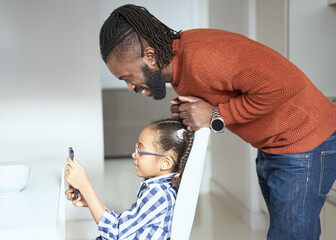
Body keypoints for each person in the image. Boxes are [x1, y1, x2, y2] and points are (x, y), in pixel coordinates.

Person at [99, 4, 336, 240]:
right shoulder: (180, 69)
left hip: (305, 142)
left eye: (128, 77)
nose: (130, 87)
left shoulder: (204, 58)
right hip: (274, 147)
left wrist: (215, 114)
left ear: (150, 56)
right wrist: (191, 114)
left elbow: (286, 84)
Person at [64, 118, 194, 240]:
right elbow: (125, 225)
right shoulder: (163, 187)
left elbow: (116, 232)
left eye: (141, 151)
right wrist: (89, 201)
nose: (134, 154)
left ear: (165, 163)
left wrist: (85, 186)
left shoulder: (158, 193)